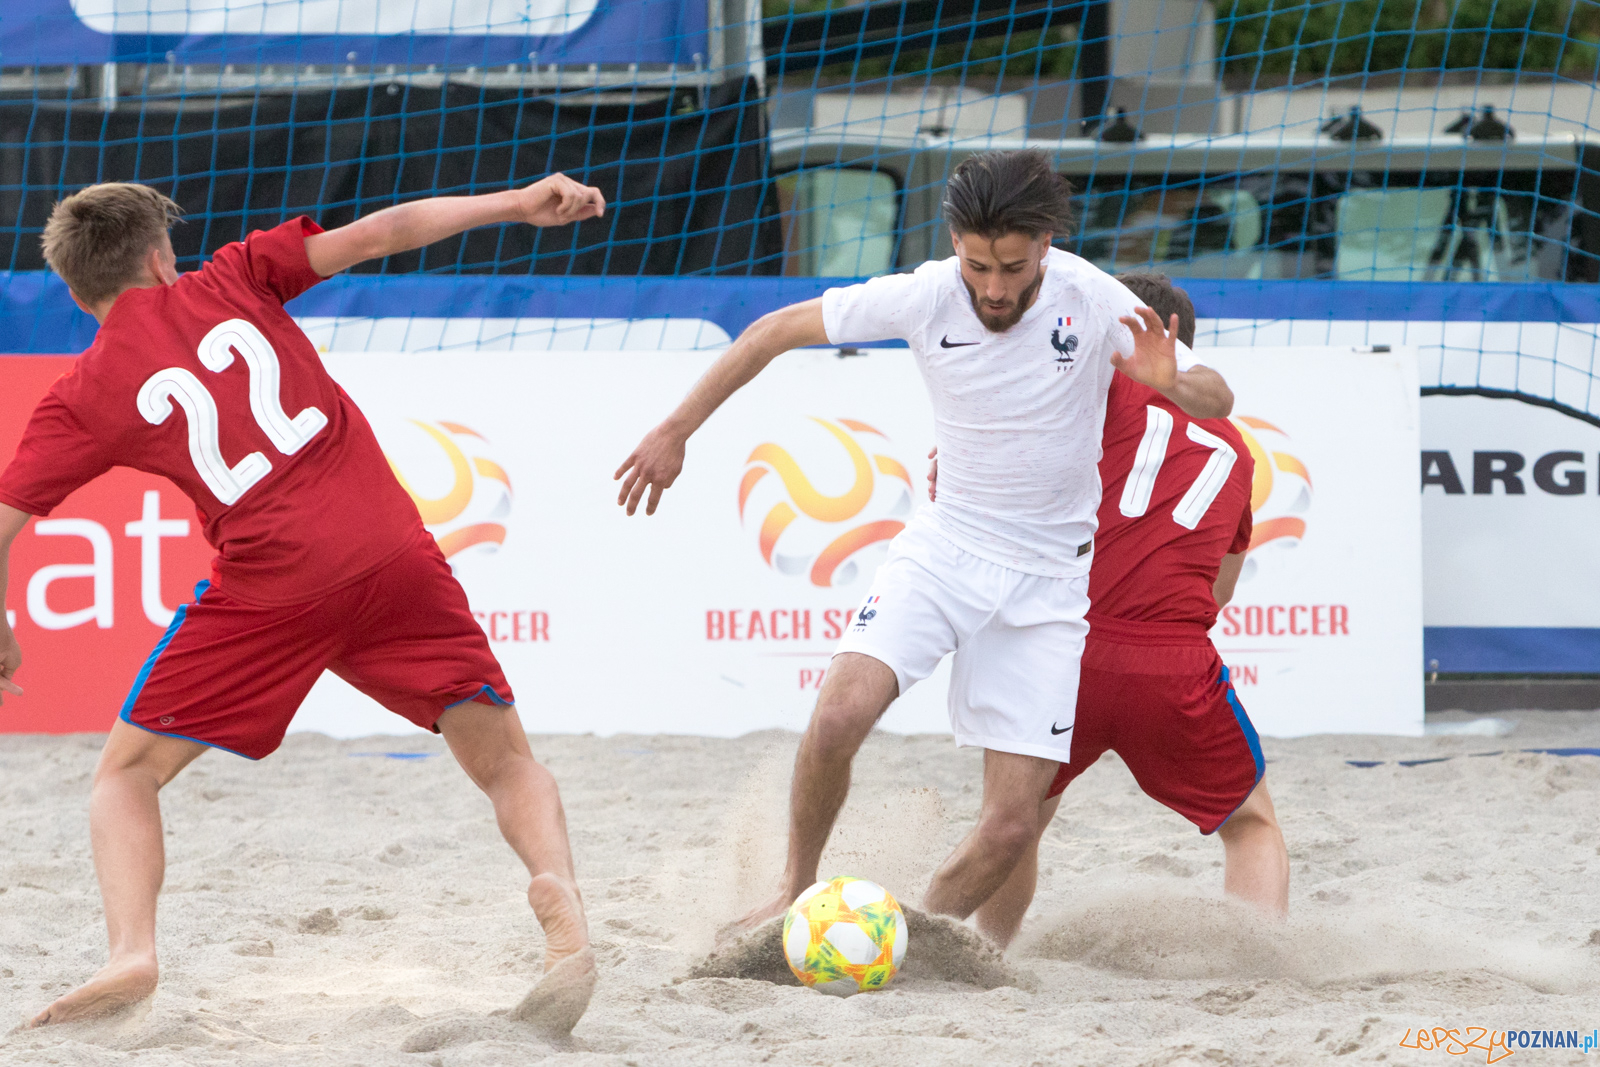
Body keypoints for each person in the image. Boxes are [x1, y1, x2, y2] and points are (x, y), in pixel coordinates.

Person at [0, 176, 606, 1030]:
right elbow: (385, 229)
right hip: (390, 550)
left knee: (126, 774)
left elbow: (3, 524)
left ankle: (132, 950)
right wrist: (514, 203)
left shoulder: (84, 392)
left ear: (73, 287)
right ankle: (558, 892)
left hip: (273, 584)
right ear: (157, 254)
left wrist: (4, 626)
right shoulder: (232, 275)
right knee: (506, 760)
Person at [613, 150, 1235, 935]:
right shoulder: (925, 295)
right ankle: (794, 891)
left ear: (1045, 244)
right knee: (839, 715)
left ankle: (906, 937)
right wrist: (675, 430)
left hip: (1048, 582)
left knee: (1011, 825)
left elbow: (1219, 398)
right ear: (954, 243)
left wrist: (1172, 378)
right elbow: (772, 331)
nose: (995, 288)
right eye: (978, 265)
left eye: (1012, 266)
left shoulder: (1095, 299)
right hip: (946, 548)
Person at [961, 272, 1289, 948]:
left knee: (1016, 822)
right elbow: (1219, 593)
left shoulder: (1093, 393)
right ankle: (1260, 967)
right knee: (1251, 824)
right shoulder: (1236, 451)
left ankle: (987, 954)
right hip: (1173, 662)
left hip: (1066, 649)